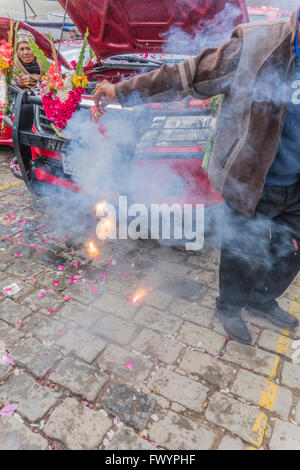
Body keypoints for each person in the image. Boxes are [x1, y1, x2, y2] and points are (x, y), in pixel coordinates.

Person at [93, 8, 300, 344]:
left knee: (290, 253)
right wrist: (123, 91)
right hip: (252, 181)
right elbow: (186, 75)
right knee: (241, 253)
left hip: (298, 185)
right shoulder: (257, 44)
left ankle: (262, 301)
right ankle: (230, 307)